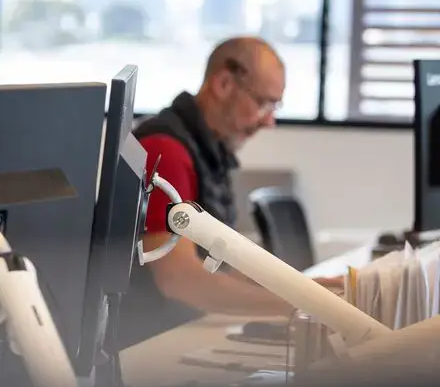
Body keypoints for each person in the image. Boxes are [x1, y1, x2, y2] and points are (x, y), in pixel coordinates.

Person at [119, 36, 339, 348]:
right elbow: (180, 279)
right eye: (263, 103)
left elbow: (220, 265)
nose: (270, 121)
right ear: (223, 84)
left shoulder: (207, 151)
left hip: (177, 331)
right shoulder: (166, 151)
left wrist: (302, 289)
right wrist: (305, 304)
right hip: (147, 345)